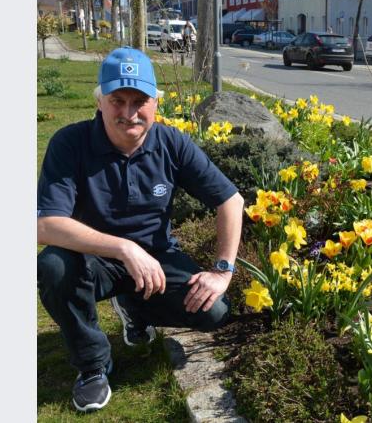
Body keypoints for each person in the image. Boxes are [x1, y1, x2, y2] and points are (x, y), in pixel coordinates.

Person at [37, 47, 245, 412]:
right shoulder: (70, 143)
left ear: (155, 104)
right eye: (117, 100)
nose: (129, 113)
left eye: (140, 101)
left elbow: (230, 200)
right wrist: (124, 249)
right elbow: (45, 225)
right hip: (92, 258)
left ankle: (136, 305)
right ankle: (92, 365)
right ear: (100, 101)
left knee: (214, 312)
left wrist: (222, 271)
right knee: (53, 266)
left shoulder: (171, 142)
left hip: (157, 257)